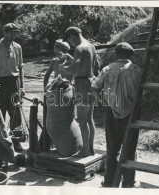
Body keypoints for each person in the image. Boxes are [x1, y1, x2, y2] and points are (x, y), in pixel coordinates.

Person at [91, 42, 142, 188]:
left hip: (111, 112)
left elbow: (94, 88)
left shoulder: (107, 69)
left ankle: (109, 180)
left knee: (112, 148)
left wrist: (103, 101)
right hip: (131, 114)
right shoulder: (137, 71)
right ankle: (128, 182)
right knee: (130, 148)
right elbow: (144, 93)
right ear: (130, 55)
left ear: (116, 54)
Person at [59, 26, 100, 157]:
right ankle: (91, 149)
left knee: (82, 121)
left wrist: (62, 67)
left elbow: (72, 71)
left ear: (72, 36)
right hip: (92, 83)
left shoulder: (79, 48)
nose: (71, 44)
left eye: (70, 41)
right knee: (89, 119)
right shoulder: (91, 46)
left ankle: (85, 151)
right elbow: (96, 68)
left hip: (82, 84)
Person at [0, 23, 25, 152]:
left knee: (15, 112)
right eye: (11, 32)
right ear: (4, 32)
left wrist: (22, 87)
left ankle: (16, 141)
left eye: (15, 32)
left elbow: (20, 68)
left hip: (13, 83)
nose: (14, 35)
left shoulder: (18, 47)